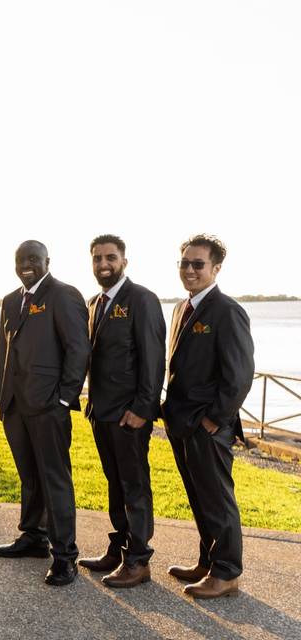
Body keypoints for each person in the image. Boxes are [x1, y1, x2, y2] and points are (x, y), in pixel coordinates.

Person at [161, 234, 254, 599]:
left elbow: (240, 374)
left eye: (198, 264)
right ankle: (208, 562)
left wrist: (214, 419)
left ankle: (227, 571)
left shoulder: (228, 311)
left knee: (217, 499)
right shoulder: (179, 309)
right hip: (181, 421)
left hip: (207, 425)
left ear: (215, 268)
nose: (189, 270)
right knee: (199, 497)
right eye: (184, 263)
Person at [0, 240, 89, 586]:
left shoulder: (63, 295)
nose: (26, 265)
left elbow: (79, 349)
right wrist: (0, 400)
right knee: (29, 475)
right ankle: (33, 536)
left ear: (47, 261)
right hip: (15, 406)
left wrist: (65, 398)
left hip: (49, 405)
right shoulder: (9, 301)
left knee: (55, 479)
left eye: (33, 259)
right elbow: (6, 351)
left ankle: (65, 556)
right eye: (21, 259)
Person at [78, 235, 165, 588]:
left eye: (110, 257)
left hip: (129, 414)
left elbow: (154, 358)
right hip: (101, 412)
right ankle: (120, 547)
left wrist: (143, 408)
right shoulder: (94, 302)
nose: (103, 264)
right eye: (97, 258)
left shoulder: (142, 299)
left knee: (134, 485)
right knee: (115, 483)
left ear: (124, 261)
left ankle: (139, 559)